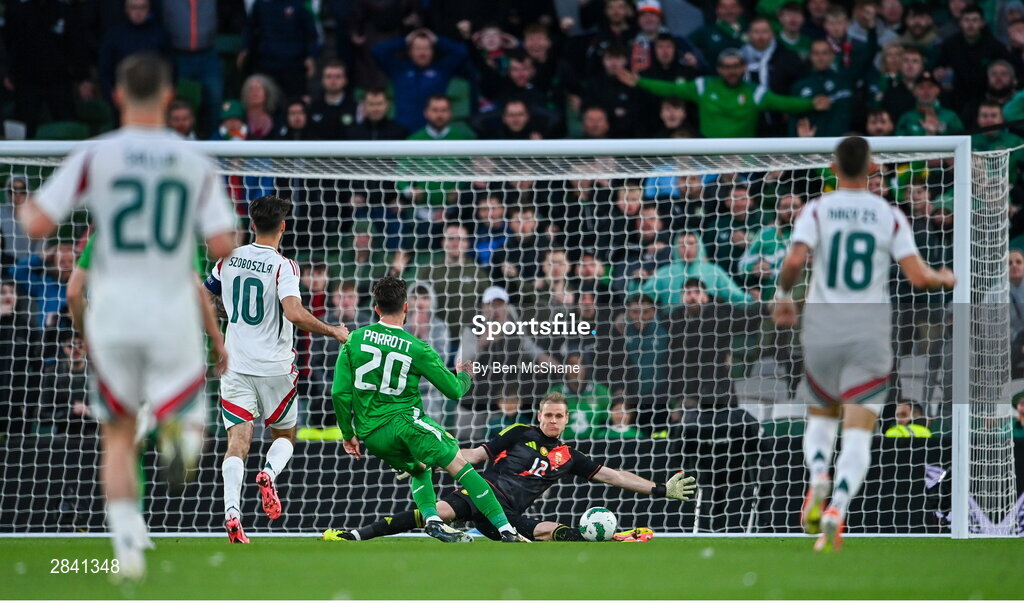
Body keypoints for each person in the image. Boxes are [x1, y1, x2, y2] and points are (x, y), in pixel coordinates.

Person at [16, 53, 237, 579]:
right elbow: (223, 242)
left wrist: (25, 204)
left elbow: (37, 224)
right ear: (167, 97)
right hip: (170, 311)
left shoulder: (96, 155)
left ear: (116, 95)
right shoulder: (192, 161)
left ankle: (127, 554)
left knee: (115, 435)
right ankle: (180, 431)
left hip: (112, 315)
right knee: (186, 409)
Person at [772, 136, 956, 552]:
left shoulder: (816, 209)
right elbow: (918, 277)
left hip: (821, 329)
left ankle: (818, 473)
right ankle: (838, 505)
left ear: (834, 167)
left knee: (821, 417)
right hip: (869, 333)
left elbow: (794, 262)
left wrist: (783, 299)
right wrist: (946, 277)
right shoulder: (888, 214)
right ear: (872, 167)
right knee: (859, 430)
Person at [322, 392, 697, 542]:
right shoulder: (518, 432)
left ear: (567, 419)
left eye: (559, 416)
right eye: (548, 414)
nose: (552, 420)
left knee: (556, 533)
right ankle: (355, 535)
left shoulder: (569, 456)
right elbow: (472, 456)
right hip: (482, 496)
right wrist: (430, 461)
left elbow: (612, 476)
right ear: (540, 416)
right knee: (435, 513)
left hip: (511, 515)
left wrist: (659, 488)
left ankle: (614, 536)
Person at [331, 275, 531, 543]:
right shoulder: (417, 348)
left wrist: (348, 433)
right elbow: (454, 391)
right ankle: (507, 530)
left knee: (419, 467)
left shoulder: (353, 340)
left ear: (376, 308)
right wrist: (464, 375)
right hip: (405, 424)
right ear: (405, 307)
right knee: (460, 465)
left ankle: (433, 520)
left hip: (371, 435)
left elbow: (339, 393)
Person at [204, 195, 349, 543]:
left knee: (237, 443)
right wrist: (333, 331)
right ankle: (269, 473)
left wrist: (227, 315)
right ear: (283, 226)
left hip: (236, 366)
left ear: (252, 225)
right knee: (284, 437)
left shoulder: (229, 259)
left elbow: (205, 297)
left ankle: (232, 513)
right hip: (275, 368)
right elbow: (294, 312)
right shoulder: (285, 266)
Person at [618, 48, 830, 139]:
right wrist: (640, 81)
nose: (731, 71)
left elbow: (784, 103)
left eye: (736, 66)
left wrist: (811, 104)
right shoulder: (704, 86)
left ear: (744, 67)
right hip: (708, 160)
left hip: (743, 163)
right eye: (726, 67)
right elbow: (671, 89)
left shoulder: (754, 93)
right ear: (718, 69)